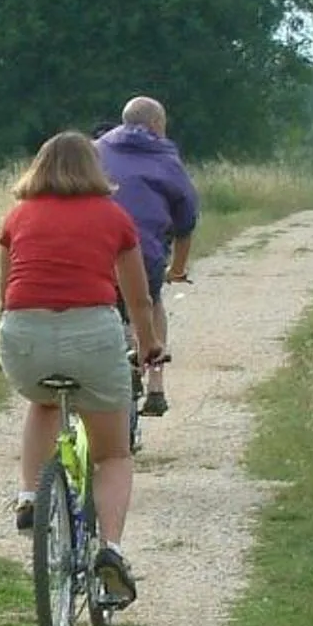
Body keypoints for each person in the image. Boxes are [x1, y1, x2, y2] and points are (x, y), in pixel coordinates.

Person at [0, 130, 163, 606]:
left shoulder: (18, 216)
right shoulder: (113, 216)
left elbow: (6, 293)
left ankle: (30, 496)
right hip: (92, 333)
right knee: (113, 454)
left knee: (42, 401)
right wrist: (149, 346)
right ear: (95, 168)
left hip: (23, 335)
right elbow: (138, 299)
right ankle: (109, 550)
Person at [94, 95, 199, 414]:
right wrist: (177, 269)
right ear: (156, 124)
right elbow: (186, 220)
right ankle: (156, 384)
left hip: (93, 251)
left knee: (101, 305)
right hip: (146, 253)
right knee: (151, 302)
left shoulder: (95, 151)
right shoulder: (167, 159)